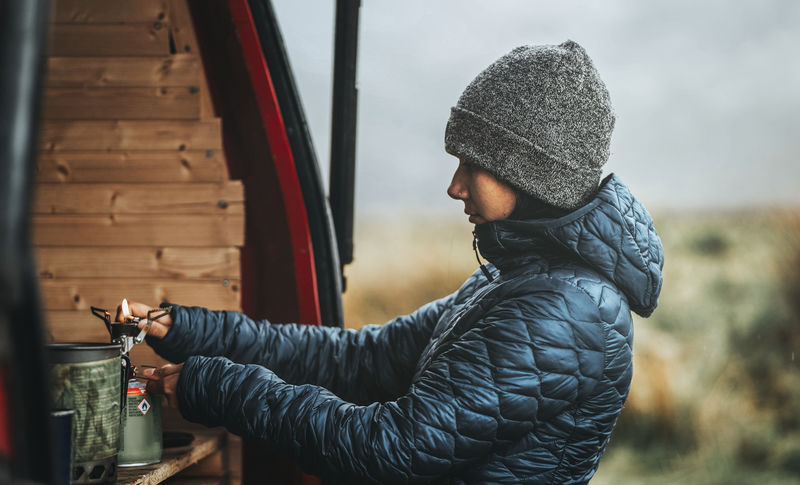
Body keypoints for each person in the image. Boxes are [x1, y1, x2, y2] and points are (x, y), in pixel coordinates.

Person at [126, 40, 664, 484]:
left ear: (530, 177)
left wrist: (219, 387)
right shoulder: (518, 283)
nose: (454, 186)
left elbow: (391, 451)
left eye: (473, 165)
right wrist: (195, 330)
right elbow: (361, 360)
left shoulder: (564, 313)